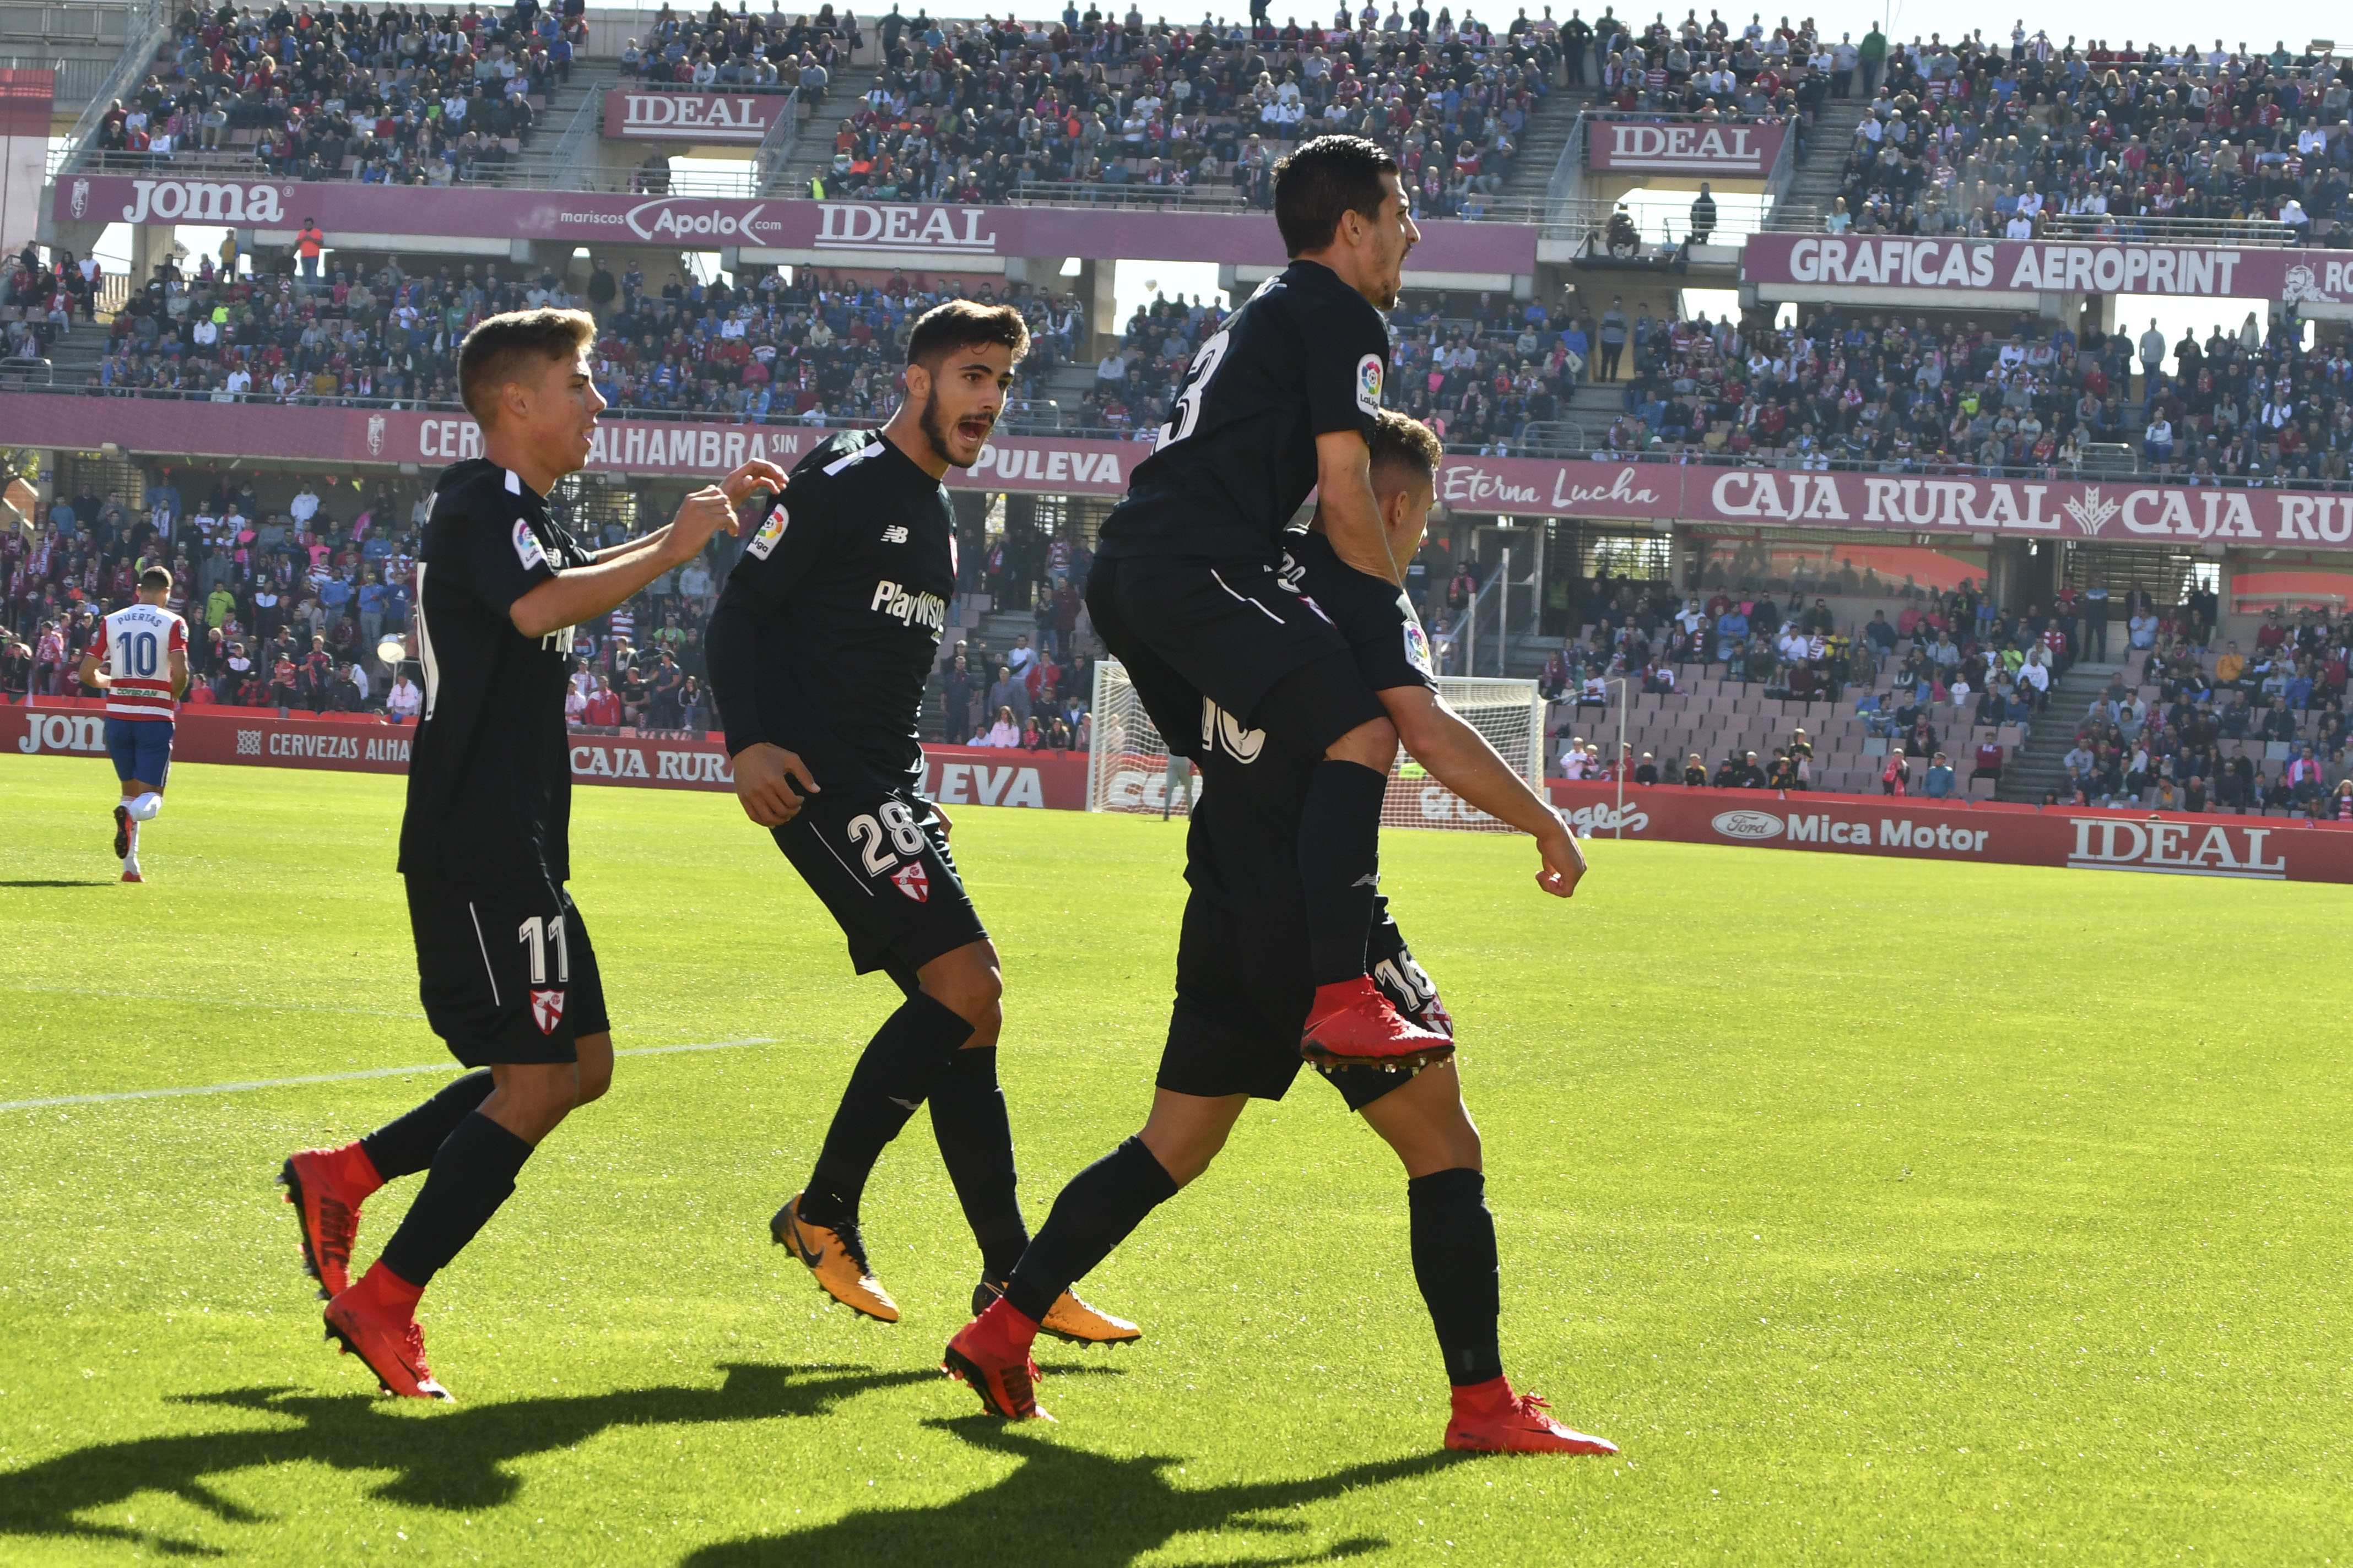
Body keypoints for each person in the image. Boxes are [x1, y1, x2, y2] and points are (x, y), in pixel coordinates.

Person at [944, 411, 1611, 1456]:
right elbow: (1424, 733)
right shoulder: (1367, 600)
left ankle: (1004, 1323)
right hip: (1324, 926)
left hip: (1222, 905)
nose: (1424, 537)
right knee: (1446, 1145)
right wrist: (1544, 818)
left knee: (1171, 1146)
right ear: (1395, 506)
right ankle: (1482, 1407)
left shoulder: (1241, 577)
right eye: (1425, 517)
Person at [276, 308, 781, 1401]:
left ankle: (344, 1173)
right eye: (580, 382)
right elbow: (539, 604)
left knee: (576, 1069)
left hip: (521, 842)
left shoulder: (526, 513)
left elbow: (561, 578)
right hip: (477, 842)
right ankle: (384, 1300)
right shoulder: (476, 503)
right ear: (518, 401)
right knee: (540, 1079)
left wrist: (686, 524)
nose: (596, 402)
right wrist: (677, 545)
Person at [706, 301, 1135, 1344]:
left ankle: (1010, 1281)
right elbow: (737, 616)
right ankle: (823, 1211)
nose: (989, 400)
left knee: (970, 1018)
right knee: (967, 985)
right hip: (822, 778)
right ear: (918, 381)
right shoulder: (853, 485)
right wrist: (747, 743)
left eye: (1000, 383)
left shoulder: (927, 507)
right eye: (971, 378)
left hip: (891, 786)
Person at [1084, 135, 1452, 1074]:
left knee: (1255, 761)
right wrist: (1383, 610)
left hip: (1140, 570)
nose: (1414, 230)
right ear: (1352, 226)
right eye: (1401, 211)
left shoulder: (1269, 306)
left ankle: (1258, 958)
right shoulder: (1341, 313)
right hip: (1191, 565)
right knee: (1364, 730)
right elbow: (1343, 487)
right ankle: (1341, 992)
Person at [78, 566, 189, 883]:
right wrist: (173, 696)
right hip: (154, 717)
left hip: (117, 719)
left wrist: (112, 682)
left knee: (129, 792)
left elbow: (87, 674)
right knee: (151, 798)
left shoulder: (111, 621)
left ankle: (130, 869)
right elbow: (180, 674)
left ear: (139, 589)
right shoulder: (173, 623)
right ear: (167, 593)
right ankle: (130, 817)